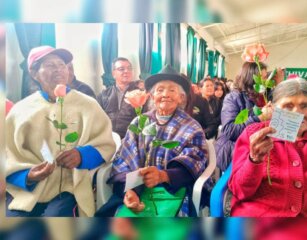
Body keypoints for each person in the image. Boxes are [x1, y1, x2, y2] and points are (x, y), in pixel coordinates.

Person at [6, 46, 115, 217]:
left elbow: (106, 145)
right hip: (28, 190)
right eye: (50, 65)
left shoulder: (88, 105)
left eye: (62, 64)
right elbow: (8, 155)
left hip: (68, 186)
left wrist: (82, 156)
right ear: (35, 74)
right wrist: (27, 176)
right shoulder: (20, 110)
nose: (59, 69)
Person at [229, 78, 307, 217]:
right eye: (288, 106)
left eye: (305, 106)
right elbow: (240, 191)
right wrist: (254, 160)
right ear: (273, 108)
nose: (297, 112)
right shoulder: (253, 134)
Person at [97, 65, 208, 217]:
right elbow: (123, 159)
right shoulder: (139, 123)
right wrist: (130, 190)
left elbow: (195, 162)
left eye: (172, 90)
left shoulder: (192, 127)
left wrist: (163, 175)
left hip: (173, 189)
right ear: (152, 95)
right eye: (160, 90)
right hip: (137, 188)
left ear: (181, 97)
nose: (165, 94)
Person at [215, 61, 272, 172]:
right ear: (251, 78)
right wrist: (259, 117)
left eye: (266, 77)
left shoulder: (264, 96)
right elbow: (230, 130)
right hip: (234, 150)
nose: (265, 81)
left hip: (258, 149)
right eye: (262, 78)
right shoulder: (233, 98)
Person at [97, 57, 141, 139]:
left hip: (132, 138)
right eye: (121, 69)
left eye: (129, 68)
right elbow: (97, 119)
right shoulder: (103, 95)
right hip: (109, 138)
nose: (126, 71)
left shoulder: (140, 93)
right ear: (114, 74)